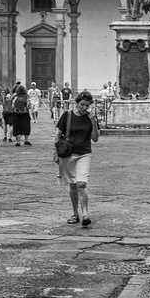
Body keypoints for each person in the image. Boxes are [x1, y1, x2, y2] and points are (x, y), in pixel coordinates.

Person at [55, 89, 100, 225]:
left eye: (87, 106)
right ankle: (75, 213)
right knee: (73, 185)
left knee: (81, 184)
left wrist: (93, 122)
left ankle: (85, 215)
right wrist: (55, 152)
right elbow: (58, 134)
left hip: (84, 153)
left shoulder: (91, 118)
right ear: (77, 104)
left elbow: (95, 139)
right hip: (68, 154)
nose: (84, 108)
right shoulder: (67, 115)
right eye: (82, 105)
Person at [9, 82, 32, 146]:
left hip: (16, 114)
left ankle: (18, 141)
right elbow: (29, 106)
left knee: (17, 127)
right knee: (26, 126)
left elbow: (12, 106)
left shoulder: (14, 97)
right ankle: (26, 140)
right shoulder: (27, 97)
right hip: (25, 113)